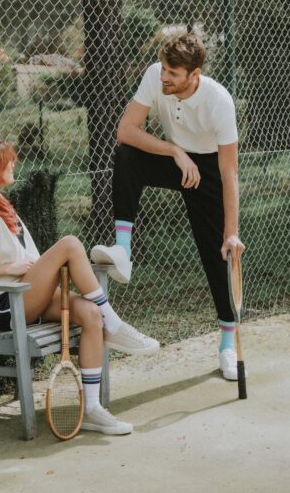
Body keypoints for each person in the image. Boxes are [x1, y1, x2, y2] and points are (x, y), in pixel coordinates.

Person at [0, 135, 159, 436]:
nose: (12, 162)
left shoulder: (1, 209)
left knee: (89, 314)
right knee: (71, 244)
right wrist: (10, 268)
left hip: (27, 294)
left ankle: (92, 409)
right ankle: (115, 323)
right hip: (10, 306)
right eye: (5, 160)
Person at [91, 33, 246, 381]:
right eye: (163, 69)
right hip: (175, 159)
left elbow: (229, 170)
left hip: (208, 169)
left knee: (218, 252)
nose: (164, 77)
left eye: (172, 73)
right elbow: (126, 131)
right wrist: (175, 152)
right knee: (127, 156)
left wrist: (232, 233)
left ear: (194, 74)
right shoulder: (153, 77)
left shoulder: (219, 101)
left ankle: (226, 341)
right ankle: (123, 250)